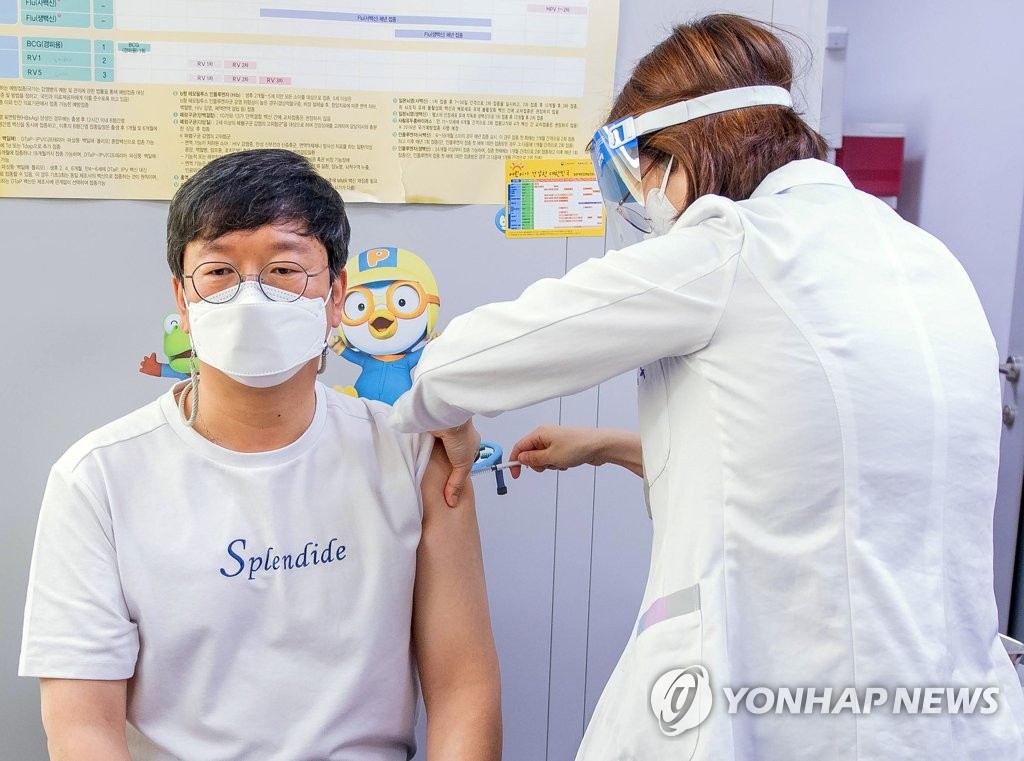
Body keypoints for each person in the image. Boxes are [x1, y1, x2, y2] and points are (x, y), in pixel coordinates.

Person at [390, 13, 1024, 760]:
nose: (642, 200)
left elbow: (462, 361)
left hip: (771, 708)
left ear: (684, 147)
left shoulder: (731, 247)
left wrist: (447, 414)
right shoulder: (924, 261)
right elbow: (830, 474)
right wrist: (612, 446)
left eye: (638, 172)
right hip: (946, 712)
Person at [19, 149, 502, 761]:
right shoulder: (98, 479)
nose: (251, 296)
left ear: (335, 295)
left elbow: (465, 686)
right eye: (218, 271)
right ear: (183, 300)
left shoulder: (412, 453)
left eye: (283, 269)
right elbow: (82, 727)